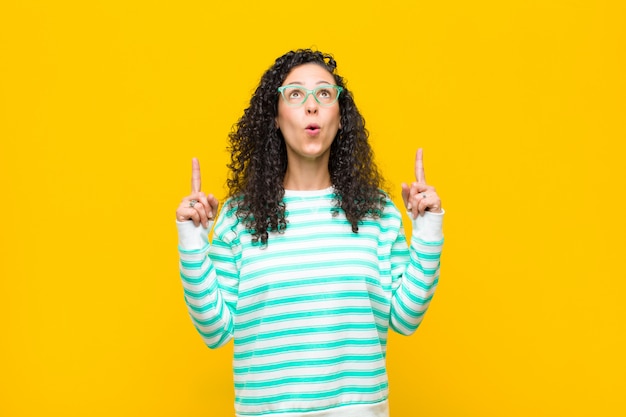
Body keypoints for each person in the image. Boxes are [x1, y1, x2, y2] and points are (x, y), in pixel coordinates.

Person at [175, 49, 444, 417]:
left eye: (324, 94)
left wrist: (428, 229)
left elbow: (405, 317)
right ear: (274, 115)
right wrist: (192, 241)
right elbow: (215, 330)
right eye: (296, 95)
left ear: (340, 114)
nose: (312, 107)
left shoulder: (377, 212)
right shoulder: (240, 217)